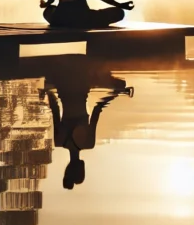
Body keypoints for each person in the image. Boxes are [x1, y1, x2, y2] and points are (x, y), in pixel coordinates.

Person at [41, 56, 133, 189]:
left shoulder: (89, 143)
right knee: (49, 82)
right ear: (67, 169)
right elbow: (54, 107)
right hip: (63, 86)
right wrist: (47, 92)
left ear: (80, 168)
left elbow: (97, 109)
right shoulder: (59, 141)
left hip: (81, 85)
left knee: (120, 85)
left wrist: (116, 94)